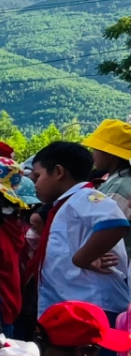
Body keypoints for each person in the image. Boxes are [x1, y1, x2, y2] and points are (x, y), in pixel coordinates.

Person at [29, 139, 130, 321]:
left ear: (58, 172)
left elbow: (115, 222)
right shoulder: (66, 204)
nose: (34, 183)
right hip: (73, 303)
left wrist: (82, 258)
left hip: (90, 305)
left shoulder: (85, 196)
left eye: (38, 176)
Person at [85, 118, 131, 250]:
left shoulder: (119, 187)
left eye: (96, 149)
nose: (93, 154)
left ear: (111, 154)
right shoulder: (117, 180)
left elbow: (106, 230)